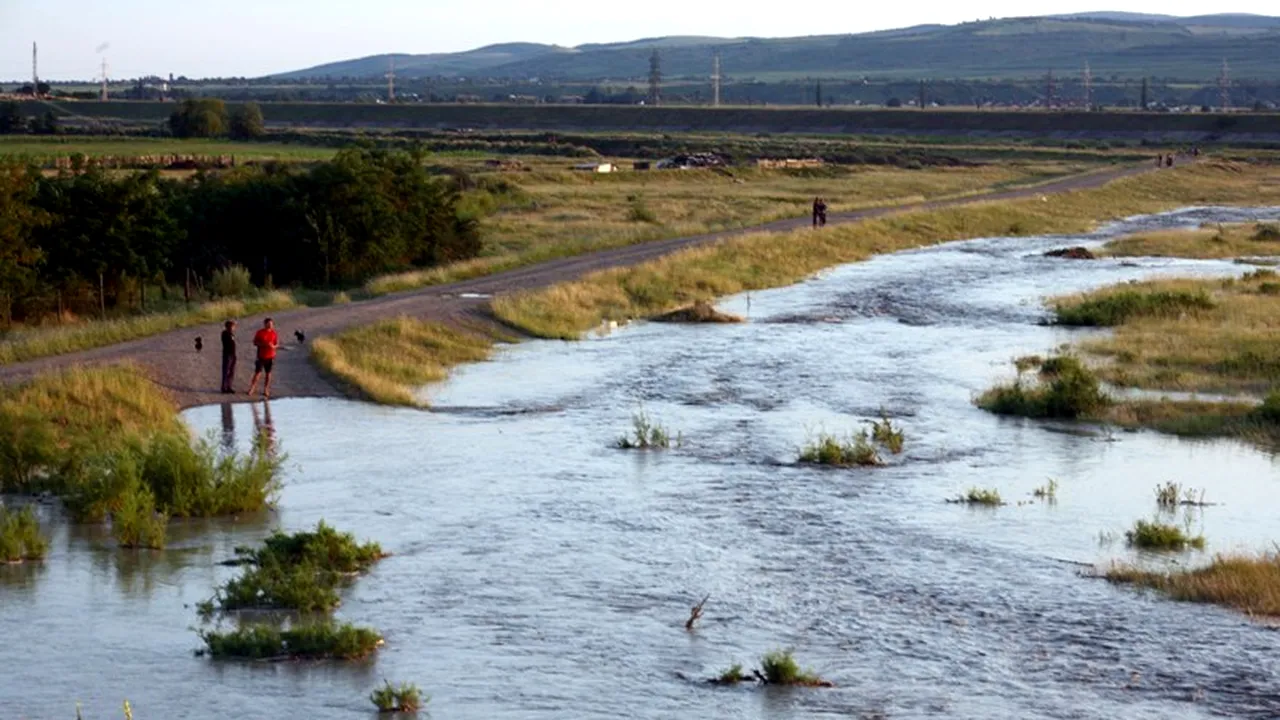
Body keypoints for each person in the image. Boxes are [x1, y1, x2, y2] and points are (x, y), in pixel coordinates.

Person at [246, 317, 279, 400]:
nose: (270, 326)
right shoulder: (260, 332)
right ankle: (252, 388)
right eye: (269, 324)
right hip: (261, 356)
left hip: (270, 356)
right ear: (265, 324)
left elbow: (277, 344)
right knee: (257, 373)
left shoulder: (274, 333)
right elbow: (255, 342)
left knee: (268, 374)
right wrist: (263, 344)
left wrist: (273, 346)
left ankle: (266, 389)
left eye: (271, 324)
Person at [220, 320, 237, 394]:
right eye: (233, 326)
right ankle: (224, 387)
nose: (234, 328)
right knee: (226, 371)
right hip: (227, 354)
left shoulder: (231, 334)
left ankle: (229, 386)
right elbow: (228, 343)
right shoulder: (225, 333)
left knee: (231, 371)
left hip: (232, 354)